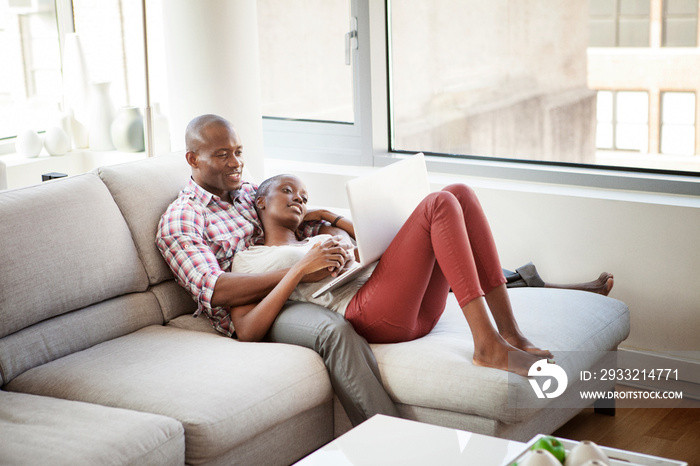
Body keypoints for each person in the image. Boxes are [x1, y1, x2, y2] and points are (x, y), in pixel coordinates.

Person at [156, 114, 399, 426]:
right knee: (333, 331)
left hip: (295, 283)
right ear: (193, 159)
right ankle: (388, 437)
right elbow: (216, 289)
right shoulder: (182, 218)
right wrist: (299, 270)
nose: (235, 163)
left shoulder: (245, 193)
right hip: (254, 308)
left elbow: (294, 220)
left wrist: (327, 219)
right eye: (222, 154)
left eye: (238, 152)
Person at [228, 173, 554, 377]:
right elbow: (246, 329)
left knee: (460, 192)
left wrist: (331, 217)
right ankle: (487, 345)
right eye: (288, 190)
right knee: (439, 202)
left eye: (304, 197)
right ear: (259, 202)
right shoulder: (249, 258)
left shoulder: (318, 236)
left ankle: (510, 333)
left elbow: (377, 241)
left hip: (411, 305)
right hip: (370, 313)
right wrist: (300, 268)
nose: (298, 198)